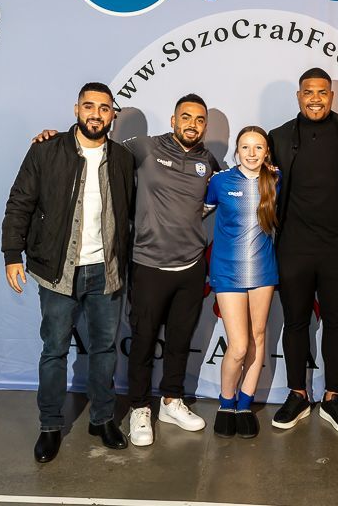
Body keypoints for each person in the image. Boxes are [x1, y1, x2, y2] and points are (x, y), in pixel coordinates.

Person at [1, 82, 135, 463]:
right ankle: (49, 426)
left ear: (113, 114)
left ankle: (103, 418)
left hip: (105, 271)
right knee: (54, 350)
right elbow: (19, 204)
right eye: (89, 106)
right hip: (58, 270)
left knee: (105, 349)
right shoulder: (46, 150)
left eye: (105, 108)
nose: (97, 114)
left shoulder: (123, 159)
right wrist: (13, 253)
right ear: (76, 109)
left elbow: (128, 216)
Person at [267, 68, 338, 434]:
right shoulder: (278, 137)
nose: (315, 98)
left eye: (322, 92)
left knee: (337, 323)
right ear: (298, 96)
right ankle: (297, 395)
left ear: (332, 97)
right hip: (293, 246)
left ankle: (332, 398)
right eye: (308, 92)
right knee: (295, 322)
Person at [123, 94, 220, 446]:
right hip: (148, 264)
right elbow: (96, 145)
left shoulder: (209, 161)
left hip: (191, 267)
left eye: (199, 119)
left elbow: (231, 191)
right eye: (186, 117)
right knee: (144, 340)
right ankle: (138, 408)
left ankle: (171, 401)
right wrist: (56, 137)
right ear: (173, 119)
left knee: (179, 340)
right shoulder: (145, 147)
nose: (192, 124)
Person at [204, 126, 279, 439]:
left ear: (266, 153)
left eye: (258, 148)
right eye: (245, 147)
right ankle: (226, 403)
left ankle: (245, 403)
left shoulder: (276, 179)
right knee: (238, 345)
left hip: (262, 271)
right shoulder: (220, 181)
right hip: (227, 271)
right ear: (237, 151)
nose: (251, 154)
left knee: (258, 337)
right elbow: (195, 215)